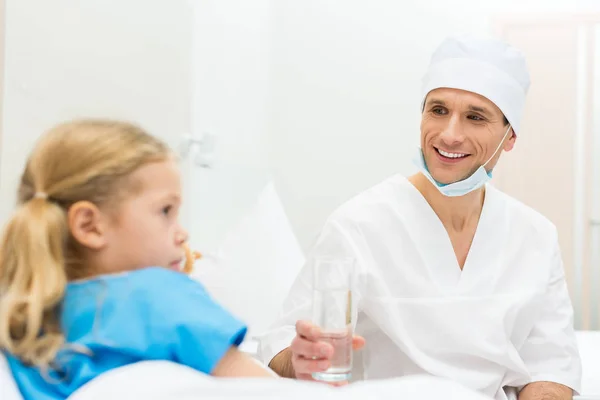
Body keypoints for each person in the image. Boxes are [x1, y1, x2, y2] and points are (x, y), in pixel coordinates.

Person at [258, 34, 582, 400]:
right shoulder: (358, 225)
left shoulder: (535, 236)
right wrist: (301, 360)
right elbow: (280, 347)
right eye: (438, 110)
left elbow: (550, 367)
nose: (449, 134)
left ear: (510, 137)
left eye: (475, 117)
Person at [0, 119, 274, 400]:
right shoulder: (163, 298)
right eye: (166, 211)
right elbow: (270, 392)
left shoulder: (22, 322)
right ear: (89, 226)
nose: (182, 233)